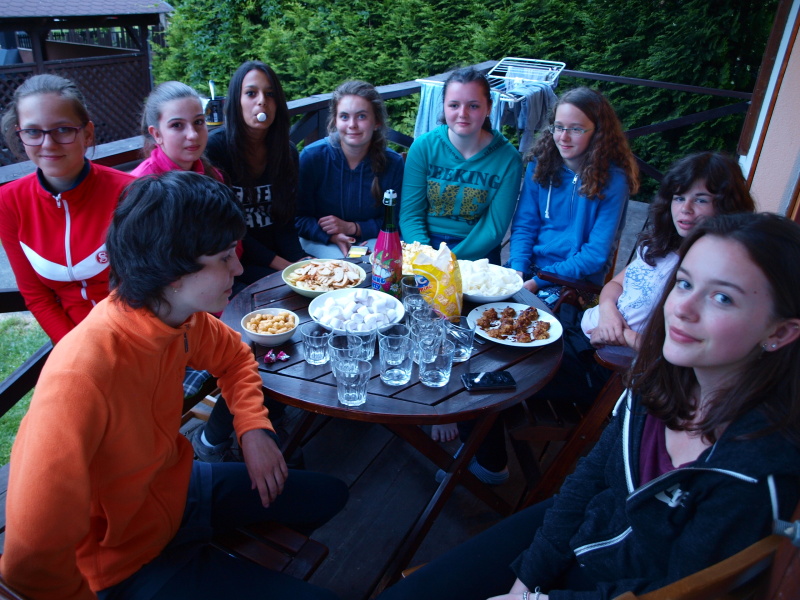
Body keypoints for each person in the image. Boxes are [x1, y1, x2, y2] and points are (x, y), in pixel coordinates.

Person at [378, 212, 800, 600]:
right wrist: (526, 582)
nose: (682, 308)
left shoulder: (754, 471)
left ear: (780, 332)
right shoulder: (656, 383)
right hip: (577, 535)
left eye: (723, 298)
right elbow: (587, 483)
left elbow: (678, 590)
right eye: (685, 283)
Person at [0, 171, 348, 600]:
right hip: (124, 565)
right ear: (171, 271)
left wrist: (252, 429)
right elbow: (29, 565)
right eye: (224, 257)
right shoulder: (78, 378)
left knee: (330, 495)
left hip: (177, 492)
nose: (239, 267)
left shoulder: (179, 317)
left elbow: (235, 356)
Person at [0, 74, 134, 343]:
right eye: (33, 131)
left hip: (138, 334)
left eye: (62, 129)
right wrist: (75, 350)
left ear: (87, 133)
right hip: (71, 342)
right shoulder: (8, 201)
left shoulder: (131, 193)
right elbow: (37, 296)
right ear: (20, 134)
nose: (48, 144)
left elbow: (149, 285)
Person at [582, 151, 755, 351]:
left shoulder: (713, 273)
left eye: (701, 200)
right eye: (679, 198)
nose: (686, 208)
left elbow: (689, 351)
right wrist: (607, 312)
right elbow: (616, 284)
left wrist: (623, 335)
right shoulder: (659, 245)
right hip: (590, 327)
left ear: (726, 207)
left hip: (613, 357)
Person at [506, 87, 638, 301]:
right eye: (559, 127)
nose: (564, 137)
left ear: (598, 132)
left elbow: (595, 255)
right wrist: (517, 269)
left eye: (576, 129)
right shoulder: (540, 163)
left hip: (578, 278)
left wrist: (538, 281)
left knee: (530, 317)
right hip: (530, 267)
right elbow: (524, 225)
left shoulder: (613, 180)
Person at [399, 67, 522, 264]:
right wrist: (427, 256)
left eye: (473, 106)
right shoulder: (423, 147)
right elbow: (410, 214)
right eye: (454, 105)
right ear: (444, 106)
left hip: (478, 250)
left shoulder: (508, 159)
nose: (462, 114)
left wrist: (449, 261)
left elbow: (494, 228)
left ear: (488, 107)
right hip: (423, 245)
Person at [206, 60, 305, 287]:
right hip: (234, 260)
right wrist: (285, 267)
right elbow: (226, 228)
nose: (262, 101)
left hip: (277, 258)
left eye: (270, 94)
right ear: (237, 101)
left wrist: (300, 260)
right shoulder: (216, 149)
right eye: (251, 93)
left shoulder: (287, 153)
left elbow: (285, 221)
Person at [296, 80, 405, 258]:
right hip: (320, 240)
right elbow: (297, 218)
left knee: (381, 265)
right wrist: (330, 236)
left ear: (376, 121)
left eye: (361, 116)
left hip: (373, 239)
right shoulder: (312, 157)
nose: (352, 124)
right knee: (341, 269)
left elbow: (397, 219)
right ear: (335, 120)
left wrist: (354, 228)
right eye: (344, 116)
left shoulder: (392, 163)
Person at [131, 81, 223, 182]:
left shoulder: (213, 175)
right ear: (157, 134)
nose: (193, 135)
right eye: (177, 125)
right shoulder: (141, 184)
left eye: (198, 122)